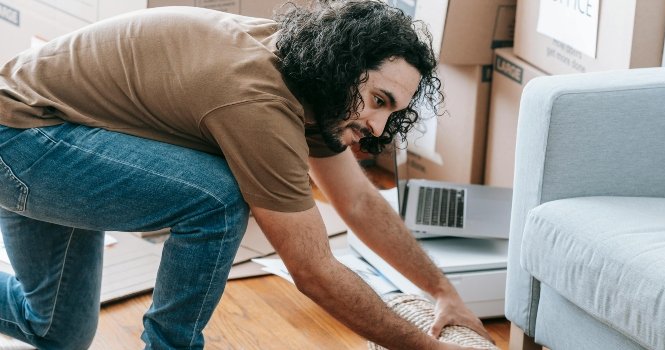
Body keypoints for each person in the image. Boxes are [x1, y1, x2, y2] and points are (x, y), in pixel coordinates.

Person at [0, 1, 491, 349]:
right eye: (379, 101)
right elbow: (313, 270)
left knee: (56, 332)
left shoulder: (315, 84)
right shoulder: (258, 100)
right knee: (216, 197)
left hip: (56, 131)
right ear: (344, 64)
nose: (377, 126)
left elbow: (359, 202)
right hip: (20, 138)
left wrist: (444, 293)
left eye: (393, 112)